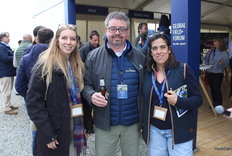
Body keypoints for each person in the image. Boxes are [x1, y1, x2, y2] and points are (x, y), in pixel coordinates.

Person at [82, 11, 146, 156]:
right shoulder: (93, 56)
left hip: (132, 124)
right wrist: (91, 95)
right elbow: (85, 85)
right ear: (106, 30)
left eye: (122, 29)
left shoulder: (140, 56)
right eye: (113, 29)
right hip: (105, 124)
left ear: (128, 32)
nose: (117, 33)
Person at [26, 24, 93, 156]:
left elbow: (82, 98)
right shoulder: (44, 66)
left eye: (73, 39)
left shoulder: (78, 66)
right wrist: (48, 134)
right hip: (55, 130)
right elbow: (34, 103)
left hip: (75, 127)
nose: (69, 42)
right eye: (64, 38)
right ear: (57, 40)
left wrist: (87, 124)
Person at [142, 33, 202, 156]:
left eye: (162, 47)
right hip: (155, 131)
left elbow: (198, 99)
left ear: (169, 50)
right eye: (154, 48)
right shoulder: (146, 73)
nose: (159, 51)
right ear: (151, 53)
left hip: (179, 131)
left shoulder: (183, 69)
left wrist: (179, 101)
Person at [204, 37, 229, 107]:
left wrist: (223, 62)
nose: (214, 43)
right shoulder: (211, 51)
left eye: (215, 41)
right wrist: (206, 64)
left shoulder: (224, 53)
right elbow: (205, 58)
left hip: (218, 72)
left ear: (220, 43)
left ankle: (219, 104)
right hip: (210, 71)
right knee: (212, 88)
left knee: (216, 88)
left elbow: (226, 62)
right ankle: (214, 103)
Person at [0, 32, 17, 115]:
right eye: (7, 37)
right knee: (6, 91)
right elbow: (5, 59)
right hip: (5, 72)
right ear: (2, 38)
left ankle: (9, 105)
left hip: (8, 72)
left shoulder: (5, 46)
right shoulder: (1, 47)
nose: (8, 38)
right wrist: (15, 56)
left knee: (9, 90)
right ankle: (6, 108)